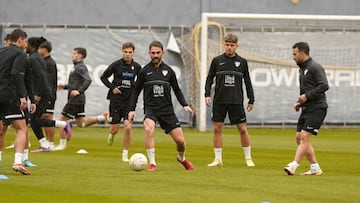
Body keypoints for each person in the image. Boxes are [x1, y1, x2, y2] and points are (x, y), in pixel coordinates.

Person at [128, 40, 194, 171]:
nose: (155, 55)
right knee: (148, 129)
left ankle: (181, 158)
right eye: (153, 53)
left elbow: (177, 90)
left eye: (158, 53)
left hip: (167, 110)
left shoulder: (169, 71)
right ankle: (153, 163)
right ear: (149, 53)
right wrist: (131, 109)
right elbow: (136, 91)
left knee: (180, 142)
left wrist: (185, 105)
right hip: (151, 109)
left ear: (163, 53)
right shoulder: (144, 71)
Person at [204, 33, 255, 167]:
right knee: (217, 128)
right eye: (227, 45)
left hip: (236, 100)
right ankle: (218, 159)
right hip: (219, 100)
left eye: (232, 45)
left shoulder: (242, 62)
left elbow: (248, 81)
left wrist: (251, 99)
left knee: (243, 129)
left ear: (236, 46)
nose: (229, 48)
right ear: (224, 45)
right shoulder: (217, 61)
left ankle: (248, 158)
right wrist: (207, 94)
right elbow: (209, 78)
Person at [284, 42, 329, 176]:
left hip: (318, 108)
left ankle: (293, 165)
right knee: (299, 138)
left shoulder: (315, 67)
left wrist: (306, 96)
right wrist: (300, 102)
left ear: (302, 54)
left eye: (295, 54)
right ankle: (315, 167)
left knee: (304, 137)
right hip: (307, 108)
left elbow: (324, 85)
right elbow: (306, 91)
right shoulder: (302, 69)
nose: (293, 57)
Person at [55, 47, 108, 150]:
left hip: (75, 100)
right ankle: (101, 117)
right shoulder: (77, 67)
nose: (72, 55)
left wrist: (79, 91)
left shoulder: (80, 67)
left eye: (74, 53)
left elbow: (88, 80)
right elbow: (75, 83)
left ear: (80, 56)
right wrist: (65, 87)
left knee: (61, 120)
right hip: (79, 100)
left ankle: (62, 145)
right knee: (81, 123)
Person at [100, 42, 141, 162]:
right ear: (122, 52)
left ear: (133, 53)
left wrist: (135, 91)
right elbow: (103, 77)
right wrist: (113, 88)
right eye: (125, 52)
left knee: (128, 127)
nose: (127, 54)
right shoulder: (116, 65)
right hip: (116, 100)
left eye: (130, 52)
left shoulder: (137, 67)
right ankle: (111, 134)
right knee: (115, 129)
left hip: (129, 102)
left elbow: (142, 81)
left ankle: (125, 153)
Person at [0, 28, 32, 175]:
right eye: (25, 42)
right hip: (10, 95)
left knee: (1, 130)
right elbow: (16, 74)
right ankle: (18, 161)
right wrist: (22, 96)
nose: (26, 45)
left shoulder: (1, 51)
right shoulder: (20, 54)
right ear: (19, 40)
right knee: (21, 128)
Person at [38, 41, 58, 150]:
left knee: (48, 118)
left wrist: (49, 96)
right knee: (43, 118)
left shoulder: (49, 63)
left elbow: (50, 81)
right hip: (45, 95)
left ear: (45, 49)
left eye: (40, 48)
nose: (38, 50)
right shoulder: (44, 61)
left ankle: (50, 143)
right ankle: (47, 143)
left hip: (48, 95)